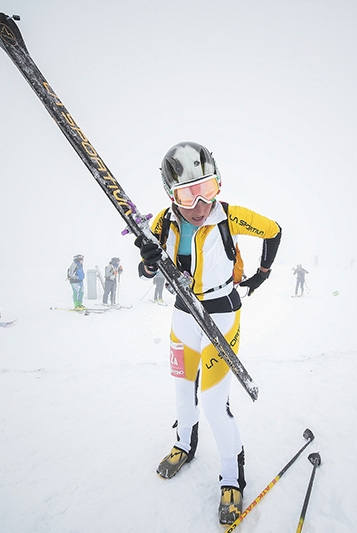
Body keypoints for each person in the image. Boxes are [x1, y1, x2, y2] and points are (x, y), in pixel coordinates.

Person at [134, 141, 282, 525]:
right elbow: (147, 268)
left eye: (209, 188)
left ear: (219, 184)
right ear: (171, 194)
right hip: (184, 314)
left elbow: (274, 231)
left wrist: (261, 274)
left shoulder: (231, 217)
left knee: (215, 403)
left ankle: (232, 479)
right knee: (182, 389)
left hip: (221, 315)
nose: (200, 204)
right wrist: (149, 263)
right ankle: (185, 444)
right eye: (188, 193)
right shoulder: (162, 223)